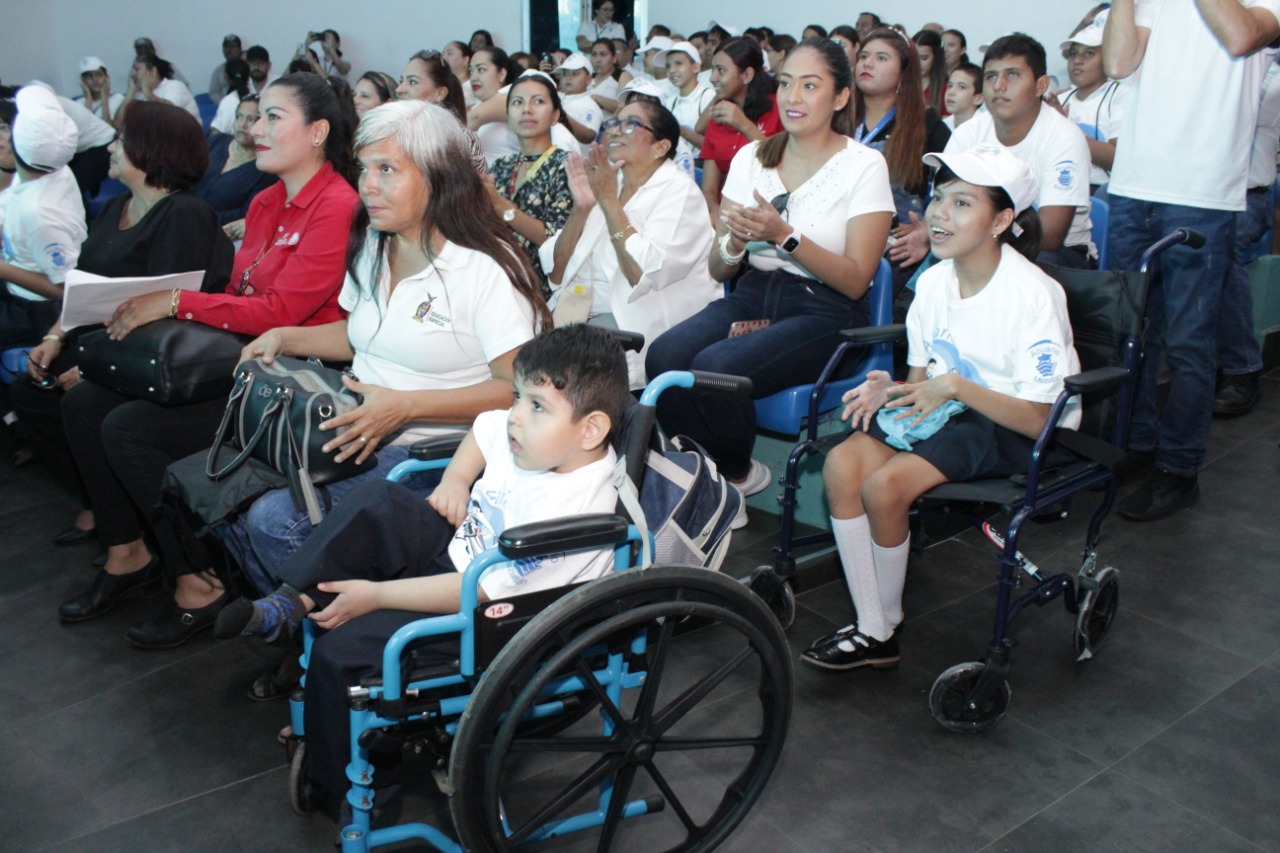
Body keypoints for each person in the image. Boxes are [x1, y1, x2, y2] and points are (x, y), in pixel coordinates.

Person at [215, 323, 626, 800]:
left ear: (591, 429)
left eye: (536, 406)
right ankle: (289, 602)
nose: (515, 415)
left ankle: (355, 788)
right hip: (461, 554)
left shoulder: (575, 513)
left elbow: (478, 592)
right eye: (517, 396)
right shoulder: (533, 439)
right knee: (379, 501)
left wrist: (377, 596)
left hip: (491, 617)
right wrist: (456, 479)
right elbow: (484, 429)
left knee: (339, 650)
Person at [210, 99, 550, 619]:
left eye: (387, 169)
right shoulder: (375, 242)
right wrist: (285, 337)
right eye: (364, 168)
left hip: (439, 453)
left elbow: (518, 391)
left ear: (437, 176)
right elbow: (361, 336)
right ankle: (312, 629)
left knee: (275, 521)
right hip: (359, 427)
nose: (368, 185)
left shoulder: (484, 269)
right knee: (223, 496)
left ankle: (359, 633)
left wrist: (406, 407)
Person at [54, 74, 360, 648]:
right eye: (257, 116)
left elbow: (280, 311)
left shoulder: (337, 205)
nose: (256, 128)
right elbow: (241, 296)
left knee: (129, 429)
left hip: (293, 385)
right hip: (246, 365)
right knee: (85, 404)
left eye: (273, 117)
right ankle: (128, 551)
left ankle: (197, 582)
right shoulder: (266, 201)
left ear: (318, 132)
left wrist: (175, 301)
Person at [801, 144, 1079, 671]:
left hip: (1012, 423)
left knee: (885, 486)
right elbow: (920, 383)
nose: (939, 214)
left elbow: (1038, 419)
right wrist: (890, 390)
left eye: (962, 203)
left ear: (1001, 221)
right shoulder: (932, 282)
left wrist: (952, 388)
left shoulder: (1033, 295)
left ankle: (878, 628)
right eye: (939, 198)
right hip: (952, 407)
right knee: (841, 464)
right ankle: (876, 624)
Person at [646, 39, 894, 521]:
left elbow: (856, 281)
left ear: (841, 97)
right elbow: (720, 269)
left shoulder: (863, 165)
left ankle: (730, 476)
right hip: (754, 296)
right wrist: (735, 242)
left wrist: (784, 236)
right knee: (665, 356)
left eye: (810, 86)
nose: (793, 97)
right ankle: (718, 479)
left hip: (826, 309)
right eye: (786, 84)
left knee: (717, 367)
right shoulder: (752, 158)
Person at [13, 101, 234, 548]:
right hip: (98, 338)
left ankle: (128, 535)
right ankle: (101, 504)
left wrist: (94, 367)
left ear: (150, 149)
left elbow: (163, 312)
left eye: (121, 139)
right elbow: (84, 285)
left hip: (144, 352)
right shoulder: (116, 206)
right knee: (30, 393)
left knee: (83, 403)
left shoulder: (183, 214)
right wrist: (55, 335)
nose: (111, 147)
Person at [1103, 0, 1280, 520]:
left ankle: (1178, 468)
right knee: (1133, 333)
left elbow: (1240, 36)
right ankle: (1136, 444)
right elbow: (1119, 63)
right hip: (1133, 183)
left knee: (1188, 342)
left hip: (1202, 191)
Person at [542, 101, 719, 388]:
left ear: (660, 147)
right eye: (613, 123)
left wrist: (609, 202)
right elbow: (556, 272)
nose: (615, 131)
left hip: (634, 321)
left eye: (631, 124)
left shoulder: (679, 192)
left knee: (564, 367)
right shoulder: (611, 180)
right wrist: (582, 208)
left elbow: (641, 274)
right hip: (577, 309)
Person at [945, 34, 1095, 268]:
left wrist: (976, 235)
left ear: (1040, 86)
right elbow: (945, 204)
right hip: (978, 239)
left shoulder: (1064, 137)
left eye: (1013, 75)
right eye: (991, 76)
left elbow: (1050, 235)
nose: (998, 86)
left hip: (1057, 254)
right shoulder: (968, 133)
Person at [852, 29, 952, 289]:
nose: (868, 63)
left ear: (903, 73)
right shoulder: (838, 117)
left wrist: (928, 228)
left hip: (899, 241)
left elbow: (955, 188)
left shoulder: (927, 125)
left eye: (881, 58)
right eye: (863, 56)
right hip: (837, 231)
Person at [1215, 59, 1280, 417]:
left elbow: (1239, 112)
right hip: (1200, 194)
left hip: (1248, 198)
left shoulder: (1272, 78)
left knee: (1220, 248)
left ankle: (1242, 369)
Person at [0, 86, 87, 347]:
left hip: (32, 307)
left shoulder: (39, 212)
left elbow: (65, 290)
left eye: (6, 129)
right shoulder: (50, 167)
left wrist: (2, 268)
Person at [485, 74, 574, 299]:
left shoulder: (567, 165)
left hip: (542, 292)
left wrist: (501, 206)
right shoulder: (501, 165)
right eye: (517, 102)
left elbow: (556, 239)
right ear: (508, 116)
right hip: (496, 285)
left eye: (538, 101)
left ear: (555, 115)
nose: (526, 109)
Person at [698, 37, 782, 216]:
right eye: (713, 69)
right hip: (728, 212)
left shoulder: (779, 109)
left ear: (747, 75)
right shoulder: (719, 114)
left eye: (721, 70)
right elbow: (709, 190)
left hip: (771, 212)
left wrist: (743, 123)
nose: (712, 78)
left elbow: (780, 167)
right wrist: (715, 211)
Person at [1053, 11, 1130, 192]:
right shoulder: (1058, 100)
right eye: (1073, 54)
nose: (1077, 61)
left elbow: (1117, 160)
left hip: (1103, 191)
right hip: (1061, 186)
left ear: (1108, 57)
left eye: (1088, 53)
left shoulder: (1120, 95)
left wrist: (1065, 128)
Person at [395, 50, 488, 174]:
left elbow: (473, 186)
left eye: (412, 82)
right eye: (401, 81)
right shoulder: (393, 134)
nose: (399, 89)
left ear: (440, 93)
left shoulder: (461, 140)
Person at [198, 94, 277, 229]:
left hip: (217, 229)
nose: (242, 125)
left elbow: (245, 213)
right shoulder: (216, 141)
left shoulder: (265, 168)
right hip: (181, 212)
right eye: (238, 117)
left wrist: (203, 217)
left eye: (251, 119)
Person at [658, 40, 716, 156]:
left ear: (695, 67)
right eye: (668, 66)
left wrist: (681, 131)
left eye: (678, 63)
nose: (672, 70)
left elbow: (713, 146)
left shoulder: (709, 98)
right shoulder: (669, 103)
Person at [117, 54, 198, 125]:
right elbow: (118, 124)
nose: (133, 74)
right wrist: (130, 93)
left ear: (153, 71)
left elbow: (169, 113)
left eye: (137, 69)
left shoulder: (174, 86)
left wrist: (148, 92)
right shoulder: (139, 95)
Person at [553, 53, 605, 144]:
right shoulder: (555, 97)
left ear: (588, 80)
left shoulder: (590, 106)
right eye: (564, 74)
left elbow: (589, 136)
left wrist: (562, 116)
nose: (568, 78)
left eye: (574, 74)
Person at [208, 58, 251, 136]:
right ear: (248, 77)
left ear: (226, 76)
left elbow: (216, 132)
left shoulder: (229, 101)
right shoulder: (253, 98)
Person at [76, 57, 124, 124]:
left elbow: (109, 128)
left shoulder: (118, 99)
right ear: (83, 81)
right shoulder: (78, 104)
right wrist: (88, 101)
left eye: (98, 75)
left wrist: (104, 101)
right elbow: (84, 128)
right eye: (89, 76)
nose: (95, 80)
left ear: (106, 77)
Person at [914, 30, 949, 114]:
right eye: (914, 57)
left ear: (936, 58)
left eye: (924, 58)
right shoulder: (900, 83)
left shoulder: (945, 89)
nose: (917, 63)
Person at [588, 38, 624, 114]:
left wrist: (597, 99)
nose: (598, 60)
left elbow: (625, 107)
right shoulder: (588, 77)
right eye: (594, 54)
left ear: (614, 58)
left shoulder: (622, 76)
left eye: (603, 54)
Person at [943, 62, 984, 130]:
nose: (951, 92)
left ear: (978, 99)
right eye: (950, 86)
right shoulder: (943, 126)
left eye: (962, 87)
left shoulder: (986, 128)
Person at [208, 34, 242, 103]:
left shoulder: (246, 68)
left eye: (232, 47)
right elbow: (213, 92)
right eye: (226, 47)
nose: (228, 50)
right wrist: (224, 103)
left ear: (240, 50)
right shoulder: (218, 71)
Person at [442, 41, 476, 108]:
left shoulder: (472, 89)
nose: (444, 58)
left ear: (466, 60)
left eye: (450, 53)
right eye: (443, 54)